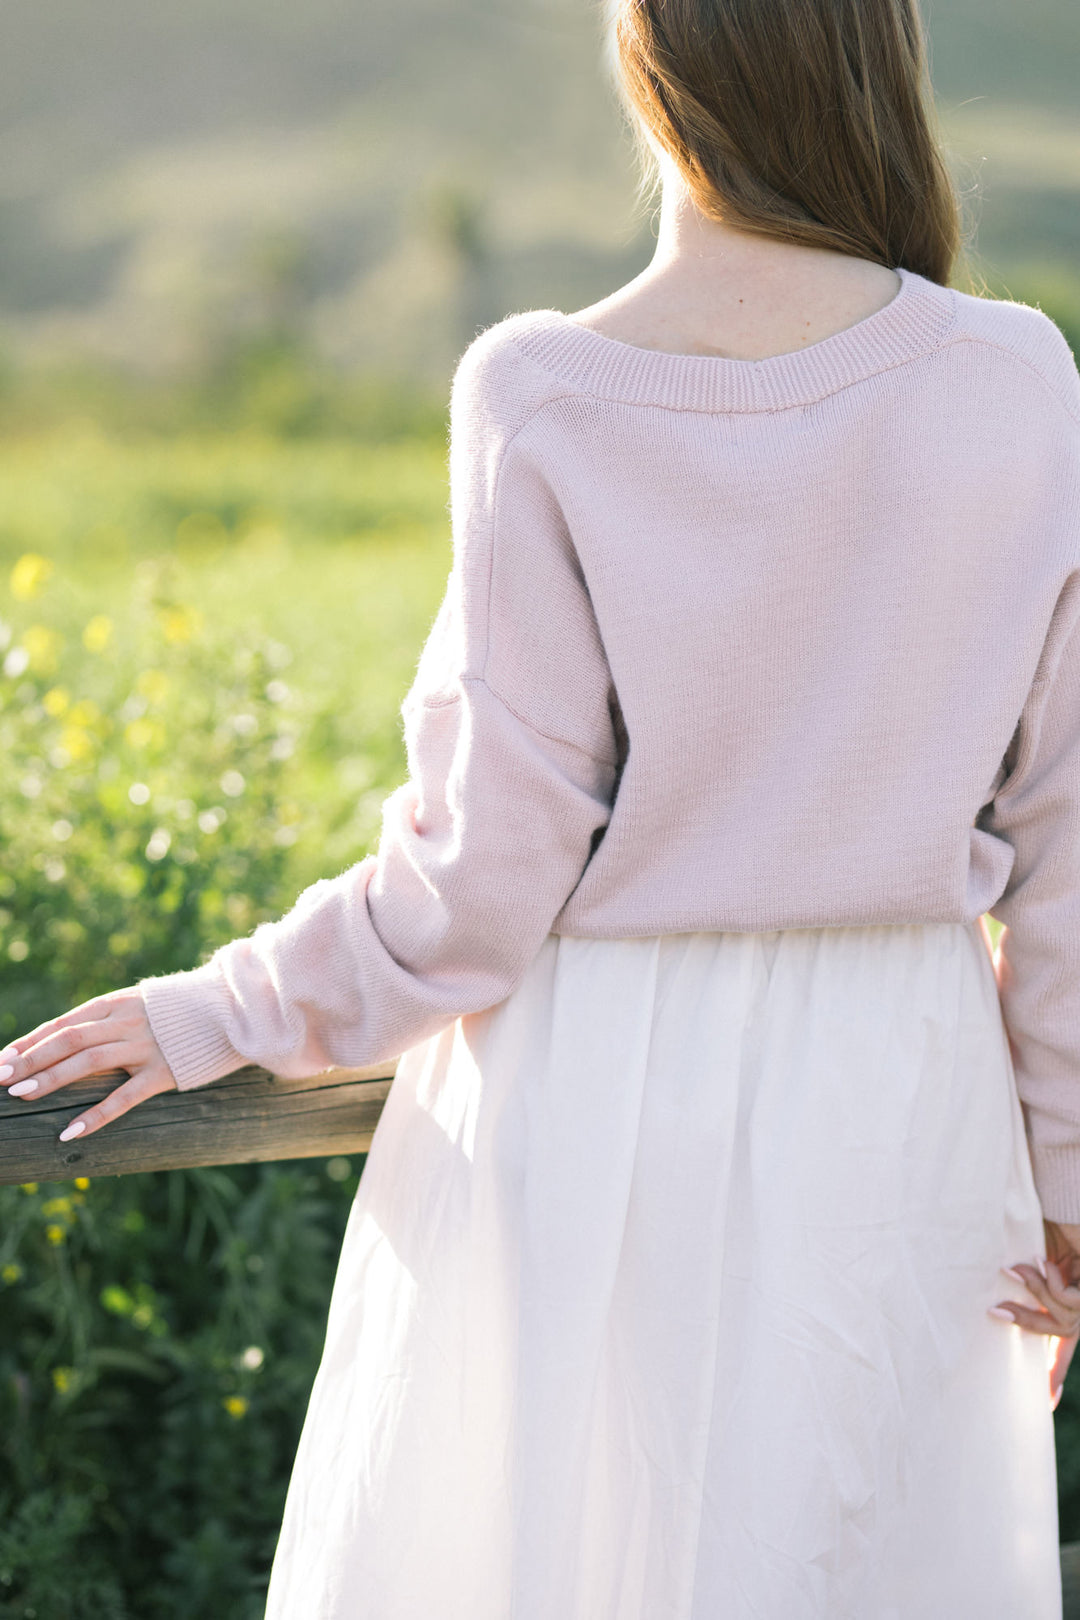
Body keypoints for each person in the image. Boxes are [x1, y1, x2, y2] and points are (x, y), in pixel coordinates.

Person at [3, 0, 1080, 1613]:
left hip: (592, 1101)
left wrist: (212, 1009)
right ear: (883, 62)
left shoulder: (545, 390)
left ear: (654, 71)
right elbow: (1066, 849)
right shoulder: (1016, 376)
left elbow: (471, 889)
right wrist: (1065, 1188)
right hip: (904, 1097)